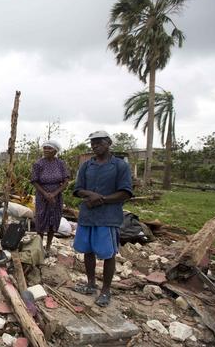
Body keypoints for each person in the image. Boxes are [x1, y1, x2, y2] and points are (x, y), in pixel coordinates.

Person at [72, 131, 133, 307]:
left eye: (99, 142)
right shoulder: (87, 166)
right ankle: (91, 284)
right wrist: (90, 194)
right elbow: (77, 189)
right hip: (88, 215)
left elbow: (125, 192)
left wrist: (102, 200)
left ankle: (106, 290)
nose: (95, 146)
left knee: (108, 254)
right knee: (88, 250)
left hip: (108, 216)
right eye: (92, 143)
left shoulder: (120, 166)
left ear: (109, 143)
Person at [30, 140, 70, 256]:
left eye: (49, 148)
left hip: (56, 197)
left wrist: (54, 194)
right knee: (41, 220)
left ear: (55, 151)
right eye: (45, 148)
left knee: (53, 220)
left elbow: (66, 181)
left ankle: (48, 246)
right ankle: (39, 246)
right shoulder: (38, 164)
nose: (46, 150)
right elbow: (34, 181)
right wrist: (45, 194)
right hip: (42, 197)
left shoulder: (60, 164)